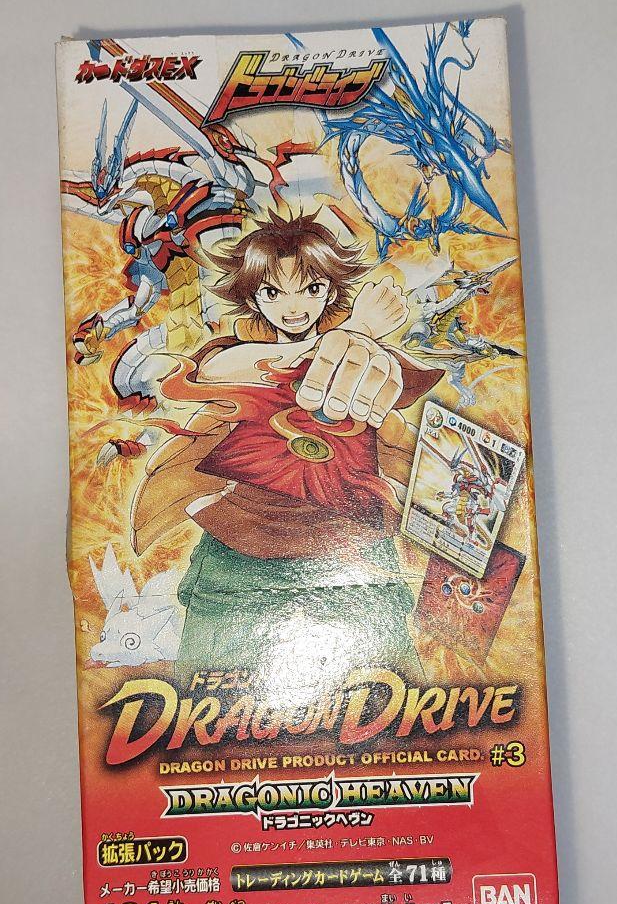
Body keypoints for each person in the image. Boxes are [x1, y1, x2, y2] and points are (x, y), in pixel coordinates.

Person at [130, 212, 442, 685]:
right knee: (207, 692)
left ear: (330, 292)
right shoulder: (231, 358)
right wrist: (355, 329)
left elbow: (401, 434)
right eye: (273, 293)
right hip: (243, 548)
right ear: (253, 297)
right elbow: (237, 368)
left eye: (311, 289)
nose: (293, 308)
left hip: (349, 552)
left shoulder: (366, 357)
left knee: (391, 688)